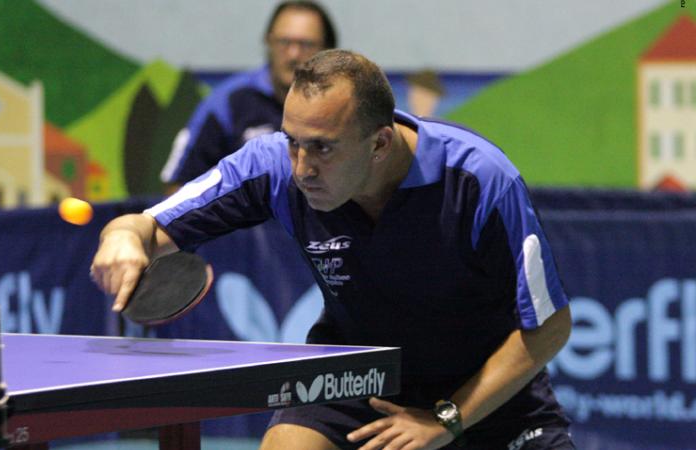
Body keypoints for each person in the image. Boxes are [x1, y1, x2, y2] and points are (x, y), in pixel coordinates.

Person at [91, 50, 574, 450]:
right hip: (356, 377)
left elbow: (549, 326)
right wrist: (122, 239)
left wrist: (445, 419)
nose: (301, 168)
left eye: (322, 148)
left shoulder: (478, 180)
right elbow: (147, 225)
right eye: (292, 142)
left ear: (380, 143)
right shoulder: (274, 168)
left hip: (486, 394)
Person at [160, 1, 337, 192]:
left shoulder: (344, 105)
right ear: (268, 42)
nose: (293, 54)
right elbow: (178, 186)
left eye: (306, 44)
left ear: (327, 49)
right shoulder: (228, 101)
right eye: (284, 42)